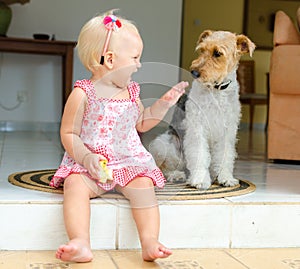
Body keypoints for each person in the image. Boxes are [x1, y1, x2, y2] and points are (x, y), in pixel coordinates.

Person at [50, 10, 188, 263]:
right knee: (74, 186)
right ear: (111, 60)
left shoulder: (131, 92)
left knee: (144, 187)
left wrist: (163, 104)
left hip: (127, 161)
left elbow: (142, 123)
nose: (139, 64)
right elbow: (69, 132)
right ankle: (80, 241)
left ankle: (149, 241)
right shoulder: (83, 93)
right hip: (89, 163)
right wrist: (86, 156)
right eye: (135, 58)